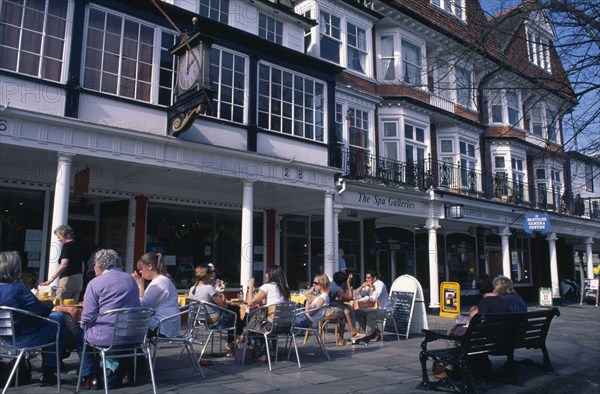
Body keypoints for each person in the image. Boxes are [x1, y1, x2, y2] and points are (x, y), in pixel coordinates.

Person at [0, 251, 70, 386]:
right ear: (15, 269)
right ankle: (49, 372)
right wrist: (50, 303)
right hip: (27, 337)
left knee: (55, 322)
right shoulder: (18, 289)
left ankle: (49, 370)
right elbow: (42, 312)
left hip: (5, 339)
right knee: (59, 320)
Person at [77, 249, 141, 389]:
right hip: (134, 336)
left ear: (99, 265)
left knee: (80, 336)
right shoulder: (130, 279)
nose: (93, 268)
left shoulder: (95, 283)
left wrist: (82, 326)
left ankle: (90, 376)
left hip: (109, 338)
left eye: (94, 264)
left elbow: (87, 318)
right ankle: (122, 370)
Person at [133, 252, 180, 337]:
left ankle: (133, 350)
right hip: (167, 324)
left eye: (141, 268)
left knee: (128, 328)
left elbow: (142, 306)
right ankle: (137, 349)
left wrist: (140, 286)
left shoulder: (159, 283)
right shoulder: (162, 280)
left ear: (149, 267)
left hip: (162, 326)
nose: (140, 272)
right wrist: (140, 285)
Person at [189, 264, 236, 344]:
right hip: (216, 323)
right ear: (206, 275)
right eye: (211, 272)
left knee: (233, 313)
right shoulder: (209, 288)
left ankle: (232, 343)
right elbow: (223, 305)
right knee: (236, 315)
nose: (213, 274)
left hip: (202, 322)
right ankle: (233, 343)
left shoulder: (192, 289)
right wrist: (222, 292)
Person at [40, 224, 86, 301]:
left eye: (59, 237)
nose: (59, 240)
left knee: (60, 304)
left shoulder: (67, 246)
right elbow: (83, 264)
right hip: (79, 279)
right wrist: (80, 277)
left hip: (67, 279)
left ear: (64, 235)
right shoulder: (78, 245)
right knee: (72, 306)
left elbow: (64, 263)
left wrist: (51, 279)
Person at [325, 270, 363, 345]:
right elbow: (350, 298)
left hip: (328, 304)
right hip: (327, 308)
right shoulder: (337, 288)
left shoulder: (332, 284)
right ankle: (352, 331)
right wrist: (349, 283)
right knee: (346, 308)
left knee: (345, 310)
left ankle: (341, 339)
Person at [354, 271, 392, 342]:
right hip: (374, 308)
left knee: (370, 314)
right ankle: (375, 332)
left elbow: (373, 298)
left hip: (385, 309)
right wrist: (362, 286)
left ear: (374, 278)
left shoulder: (380, 284)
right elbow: (355, 294)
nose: (366, 280)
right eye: (366, 278)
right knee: (357, 311)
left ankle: (368, 335)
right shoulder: (368, 285)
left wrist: (371, 286)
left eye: (369, 278)